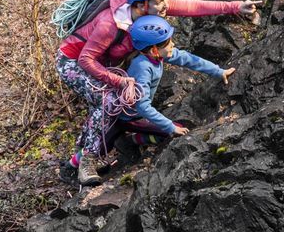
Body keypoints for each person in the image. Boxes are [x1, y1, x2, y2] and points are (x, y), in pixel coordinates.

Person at [57, 0, 257, 185]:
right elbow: (86, 60)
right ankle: (86, 161)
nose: (165, 6)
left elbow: (193, 7)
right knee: (107, 102)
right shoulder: (109, 25)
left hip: (103, 62)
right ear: (142, 5)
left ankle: (81, 157)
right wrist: (118, 80)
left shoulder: (149, 9)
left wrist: (235, 7)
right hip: (73, 61)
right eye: (160, 2)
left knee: (109, 107)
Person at [97, 16, 233, 166]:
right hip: (128, 117)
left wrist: (218, 71)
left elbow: (188, 59)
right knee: (98, 149)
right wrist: (170, 126)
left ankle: (129, 140)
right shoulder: (142, 67)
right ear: (154, 49)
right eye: (169, 43)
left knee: (105, 143)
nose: (173, 44)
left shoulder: (155, 56)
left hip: (132, 115)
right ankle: (130, 141)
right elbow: (142, 106)